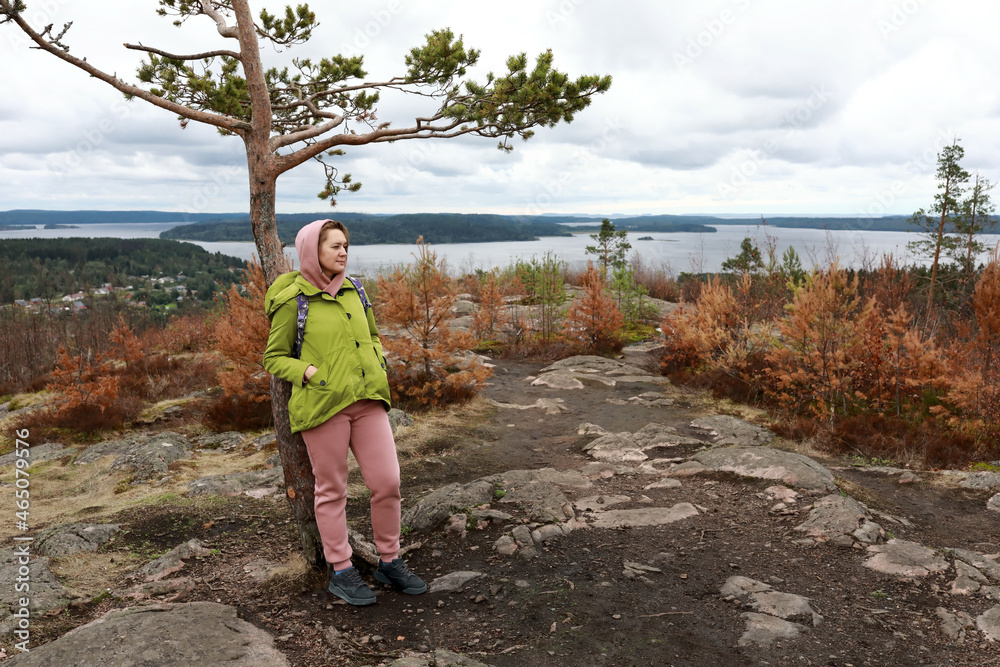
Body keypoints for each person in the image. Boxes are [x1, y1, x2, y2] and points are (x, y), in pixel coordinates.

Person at [262, 219, 425, 606]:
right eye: (334, 246)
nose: (343, 252)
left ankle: (390, 560)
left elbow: (370, 334)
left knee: (387, 482)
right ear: (311, 252)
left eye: (345, 245)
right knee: (332, 490)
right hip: (323, 407)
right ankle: (341, 570)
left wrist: (377, 359)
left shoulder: (355, 291)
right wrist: (310, 373)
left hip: (368, 402)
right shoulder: (294, 301)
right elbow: (274, 357)